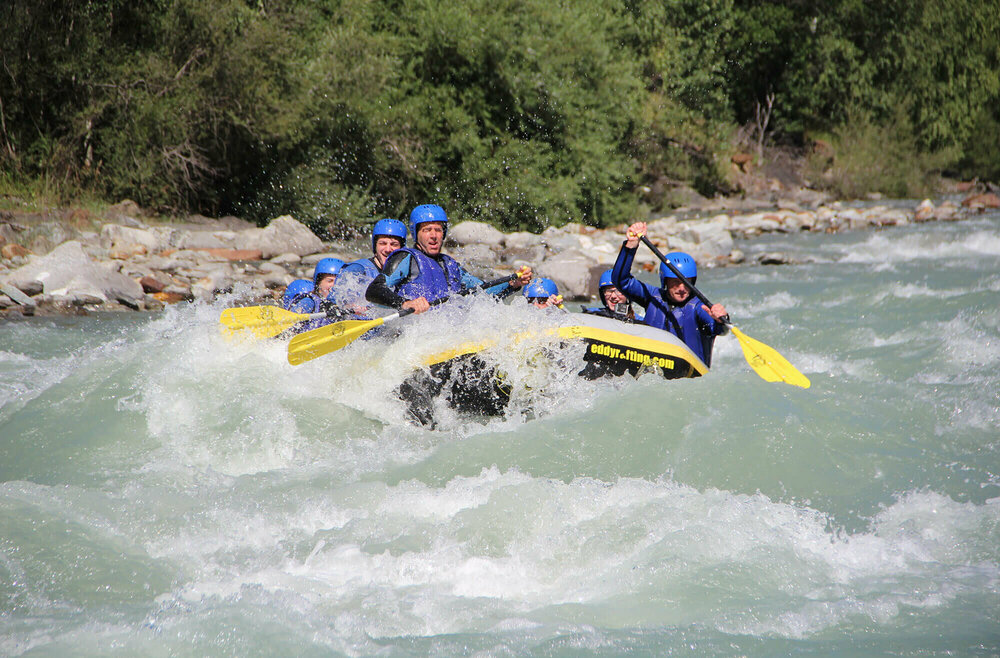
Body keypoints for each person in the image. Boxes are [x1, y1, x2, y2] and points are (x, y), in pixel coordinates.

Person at [365, 204, 532, 313]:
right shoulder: (405, 258)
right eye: (427, 230)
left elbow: (483, 291)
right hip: (414, 335)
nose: (433, 236)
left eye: (438, 230)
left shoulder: (450, 264)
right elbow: (374, 290)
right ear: (416, 234)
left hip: (448, 334)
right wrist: (405, 303)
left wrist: (512, 283)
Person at [611, 221, 728, 365]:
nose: (681, 288)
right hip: (652, 371)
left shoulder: (698, 308)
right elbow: (621, 280)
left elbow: (719, 329)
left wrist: (720, 319)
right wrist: (631, 246)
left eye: (686, 282)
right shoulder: (653, 297)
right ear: (664, 281)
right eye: (675, 282)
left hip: (689, 378)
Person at [333, 218, 407, 312]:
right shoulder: (357, 269)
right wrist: (350, 307)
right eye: (382, 243)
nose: (388, 249)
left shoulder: (404, 273)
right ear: (375, 246)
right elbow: (335, 299)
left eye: (394, 244)